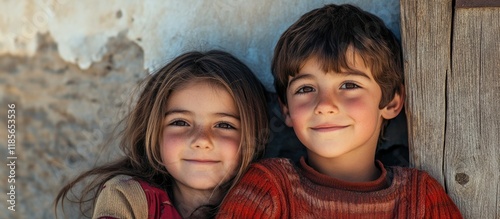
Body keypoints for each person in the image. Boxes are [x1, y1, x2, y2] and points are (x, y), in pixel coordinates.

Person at [216, 4, 462, 218]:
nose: (324, 105)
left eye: (349, 85)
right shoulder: (268, 191)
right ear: (286, 110)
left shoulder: (421, 200)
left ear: (391, 102)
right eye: (306, 88)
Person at [54, 50, 269, 218]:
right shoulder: (129, 198)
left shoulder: (270, 203)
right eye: (180, 122)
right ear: (155, 134)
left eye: (224, 125)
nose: (202, 140)